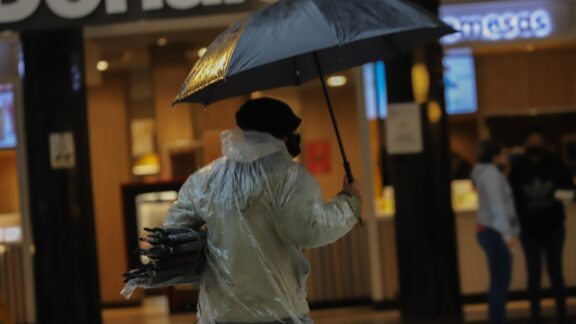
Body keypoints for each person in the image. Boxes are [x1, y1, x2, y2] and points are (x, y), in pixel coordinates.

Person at [161, 97, 362, 324]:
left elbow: (173, 233)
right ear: (281, 135)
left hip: (218, 314)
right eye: (292, 132)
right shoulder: (290, 177)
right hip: (279, 310)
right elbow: (311, 229)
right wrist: (348, 202)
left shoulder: (206, 179)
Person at [509, 128, 575, 323]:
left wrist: (559, 195)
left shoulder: (555, 163)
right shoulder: (518, 167)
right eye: (533, 141)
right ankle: (535, 315)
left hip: (554, 227)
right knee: (534, 274)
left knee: (556, 272)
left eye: (538, 141)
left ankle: (562, 314)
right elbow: (511, 197)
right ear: (527, 144)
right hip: (528, 230)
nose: (536, 145)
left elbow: (571, 191)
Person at [471, 139, 520, 324]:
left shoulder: (485, 173)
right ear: (495, 156)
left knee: (498, 279)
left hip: (489, 230)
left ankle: (496, 318)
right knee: (501, 280)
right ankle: (497, 319)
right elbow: (498, 206)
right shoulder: (491, 174)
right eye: (503, 154)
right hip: (495, 231)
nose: (506, 158)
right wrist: (507, 235)